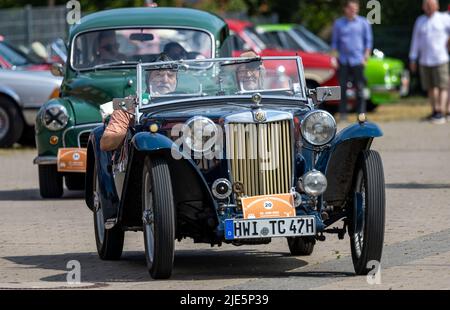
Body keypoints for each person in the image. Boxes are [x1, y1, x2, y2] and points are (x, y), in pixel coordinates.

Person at [100, 53, 176, 151]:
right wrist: (131, 131)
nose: (165, 80)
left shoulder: (185, 103)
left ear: (176, 81)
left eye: (170, 76)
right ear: (148, 79)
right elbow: (106, 144)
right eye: (158, 75)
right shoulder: (129, 103)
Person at [409, 0, 450, 124]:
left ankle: (441, 111)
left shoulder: (444, 18)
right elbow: (415, 40)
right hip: (424, 60)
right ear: (423, 6)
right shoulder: (420, 20)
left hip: (441, 58)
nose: (428, 7)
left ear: (436, 6)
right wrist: (413, 58)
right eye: (426, 4)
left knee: (443, 86)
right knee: (430, 87)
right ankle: (435, 111)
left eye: (431, 4)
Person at [331, 0, 373, 122]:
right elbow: (334, 43)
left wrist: (366, 56)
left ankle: (361, 114)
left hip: (358, 60)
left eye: (355, 8)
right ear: (345, 9)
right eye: (351, 8)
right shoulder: (339, 24)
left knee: (360, 88)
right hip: (343, 60)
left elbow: (368, 41)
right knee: (342, 88)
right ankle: (343, 114)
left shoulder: (363, 22)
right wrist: (334, 57)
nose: (353, 10)